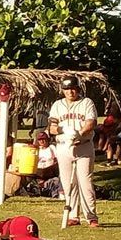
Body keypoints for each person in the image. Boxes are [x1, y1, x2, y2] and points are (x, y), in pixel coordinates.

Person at [48, 75, 99, 227]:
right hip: (64, 146)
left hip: (83, 145)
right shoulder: (57, 105)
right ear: (63, 90)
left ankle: (91, 216)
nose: (70, 92)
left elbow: (91, 122)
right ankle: (73, 216)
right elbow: (51, 128)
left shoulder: (86, 102)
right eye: (67, 89)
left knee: (85, 182)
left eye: (73, 89)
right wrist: (63, 130)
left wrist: (79, 134)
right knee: (68, 183)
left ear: (78, 89)